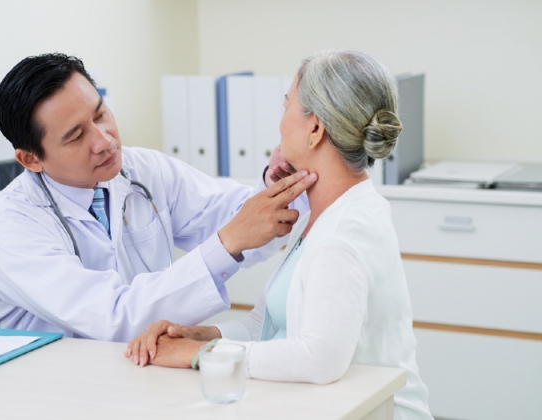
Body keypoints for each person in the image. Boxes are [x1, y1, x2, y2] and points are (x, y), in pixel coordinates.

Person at [125, 49, 433, 419]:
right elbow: (265, 326)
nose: (281, 121)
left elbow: (319, 358)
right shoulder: (319, 214)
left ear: (315, 129)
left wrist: (200, 355)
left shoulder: (343, 233)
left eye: (287, 106)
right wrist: (194, 335)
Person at [0, 53, 316, 342]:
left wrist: (277, 185)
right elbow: (113, 319)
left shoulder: (143, 170)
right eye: (77, 136)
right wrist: (228, 241)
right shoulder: (10, 223)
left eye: (100, 114)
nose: (104, 141)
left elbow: (237, 218)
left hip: (147, 365)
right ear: (31, 159)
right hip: (53, 382)